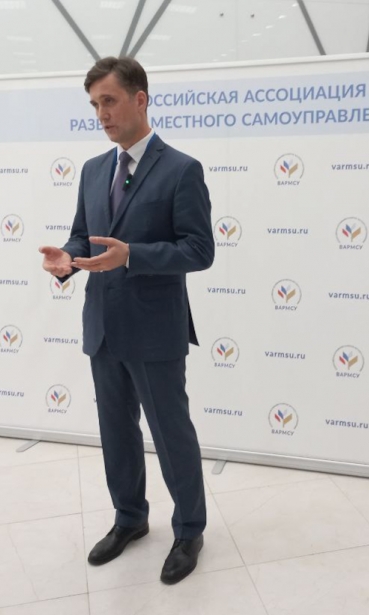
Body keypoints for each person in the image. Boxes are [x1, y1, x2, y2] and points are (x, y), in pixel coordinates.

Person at [39, 56, 214, 585]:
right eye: (95, 104)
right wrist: (68, 259)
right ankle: (130, 518)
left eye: (110, 101)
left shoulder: (181, 170)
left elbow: (199, 250)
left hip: (155, 329)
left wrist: (133, 255)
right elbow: (82, 234)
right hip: (104, 325)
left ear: (140, 99)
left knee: (171, 433)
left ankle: (189, 530)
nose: (102, 114)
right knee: (115, 433)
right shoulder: (94, 170)